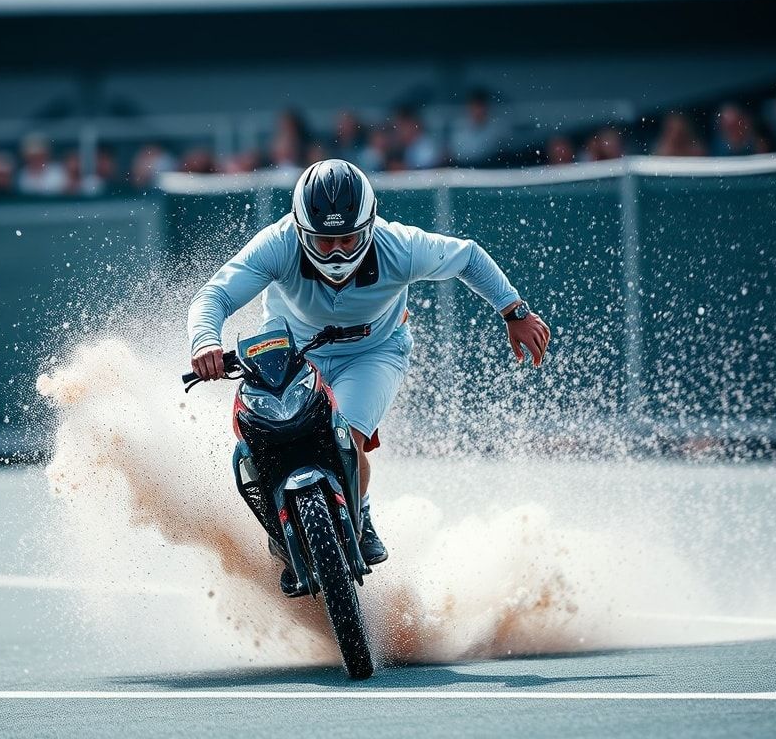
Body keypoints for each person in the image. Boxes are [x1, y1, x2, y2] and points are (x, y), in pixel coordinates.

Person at [187, 159, 550, 593]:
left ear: (371, 226)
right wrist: (205, 341)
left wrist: (514, 311)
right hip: (292, 354)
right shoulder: (278, 244)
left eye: (349, 238)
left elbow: (468, 257)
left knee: (346, 434)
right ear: (301, 232)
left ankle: (360, 515)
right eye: (324, 241)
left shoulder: (400, 247)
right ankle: (280, 529)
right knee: (262, 438)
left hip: (374, 353)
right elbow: (215, 295)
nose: (337, 252)